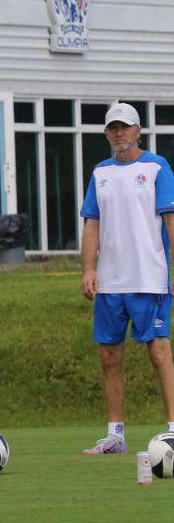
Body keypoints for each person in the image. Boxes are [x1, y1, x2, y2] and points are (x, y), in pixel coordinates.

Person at [80, 103, 174, 454]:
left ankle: (172, 429)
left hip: (150, 279)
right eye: (113, 128)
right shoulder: (100, 173)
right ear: (106, 133)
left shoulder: (156, 168)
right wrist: (88, 269)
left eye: (125, 127)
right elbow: (92, 223)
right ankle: (115, 435)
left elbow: (170, 222)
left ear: (138, 131)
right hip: (110, 282)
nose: (119, 134)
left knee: (159, 352)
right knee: (108, 356)